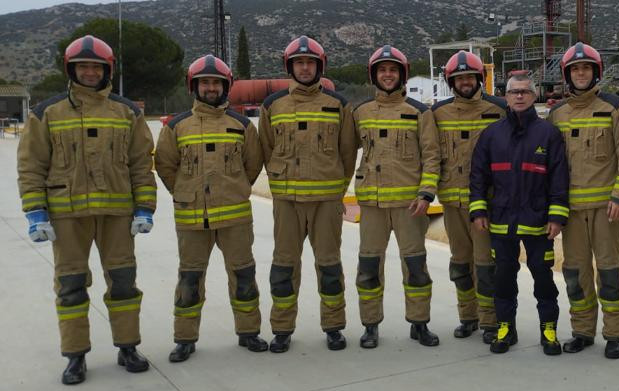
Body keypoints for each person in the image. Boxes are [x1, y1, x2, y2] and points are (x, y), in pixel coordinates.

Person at [17, 35, 156, 384]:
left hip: (116, 215)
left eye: (97, 67)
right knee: (71, 285)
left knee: (123, 282)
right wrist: (35, 212)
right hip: (67, 216)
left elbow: (141, 164)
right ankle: (75, 355)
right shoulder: (47, 113)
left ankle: (127, 347)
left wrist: (145, 208)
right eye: (84, 66)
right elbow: (31, 165)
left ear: (107, 70)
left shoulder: (127, 112)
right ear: (71, 69)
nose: (91, 72)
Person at [155, 54, 269, 362]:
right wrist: (184, 191)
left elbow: (252, 164)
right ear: (194, 86)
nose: (210, 88)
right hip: (192, 219)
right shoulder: (177, 127)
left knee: (244, 275)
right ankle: (185, 338)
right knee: (190, 280)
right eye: (204, 83)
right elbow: (165, 165)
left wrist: (235, 189)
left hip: (235, 218)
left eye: (216, 83)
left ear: (225, 86)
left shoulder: (242, 126)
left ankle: (249, 333)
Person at [259, 36, 358, 353]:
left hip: (327, 202)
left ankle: (333, 327)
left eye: (310, 62)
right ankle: (282, 329)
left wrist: (337, 191)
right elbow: (264, 148)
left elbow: (347, 154)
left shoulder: (337, 105)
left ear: (319, 66)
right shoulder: (272, 105)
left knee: (329, 266)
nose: (304, 67)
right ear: (290, 67)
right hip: (287, 202)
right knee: (284, 267)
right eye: (299, 63)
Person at [469, 72, 570, 355]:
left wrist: (556, 216)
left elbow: (559, 178)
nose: (520, 96)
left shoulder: (548, 134)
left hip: (538, 222)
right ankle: (505, 328)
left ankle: (548, 329)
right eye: (515, 92)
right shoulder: (491, 135)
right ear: (506, 97)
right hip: (501, 222)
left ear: (534, 96)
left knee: (544, 279)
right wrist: (478, 210)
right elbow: (478, 176)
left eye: (525, 91)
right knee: (503, 278)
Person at [550, 43, 619, 359]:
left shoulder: (616, 108)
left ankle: (614, 334)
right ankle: (582, 331)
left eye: (586, 67)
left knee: (610, 272)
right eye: (575, 68)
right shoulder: (557, 114)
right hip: (571, 211)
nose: (581, 73)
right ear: (568, 74)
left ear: (596, 71)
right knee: (575, 274)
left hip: (606, 208)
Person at [352, 45, 442, 348]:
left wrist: (426, 194)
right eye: (382, 70)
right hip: (373, 205)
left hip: (409, 206)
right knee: (368, 268)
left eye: (392, 70)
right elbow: (341, 153)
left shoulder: (420, 112)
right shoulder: (360, 112)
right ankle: (370, 325)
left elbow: (432, 157)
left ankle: (419, 323)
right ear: (374, 75)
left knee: (415, 266)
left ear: (401, 74)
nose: (387, 75)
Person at [432, 51, 506, 341]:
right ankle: (468, 316)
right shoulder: (438, 113)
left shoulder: (499, 110)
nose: (465, 82)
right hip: (452, 202)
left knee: (486, 263)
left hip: (487, 204)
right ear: (451, 81)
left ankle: (490, 320)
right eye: (459, 78)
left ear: (479, 78)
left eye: (469, 77)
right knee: (460, 262)